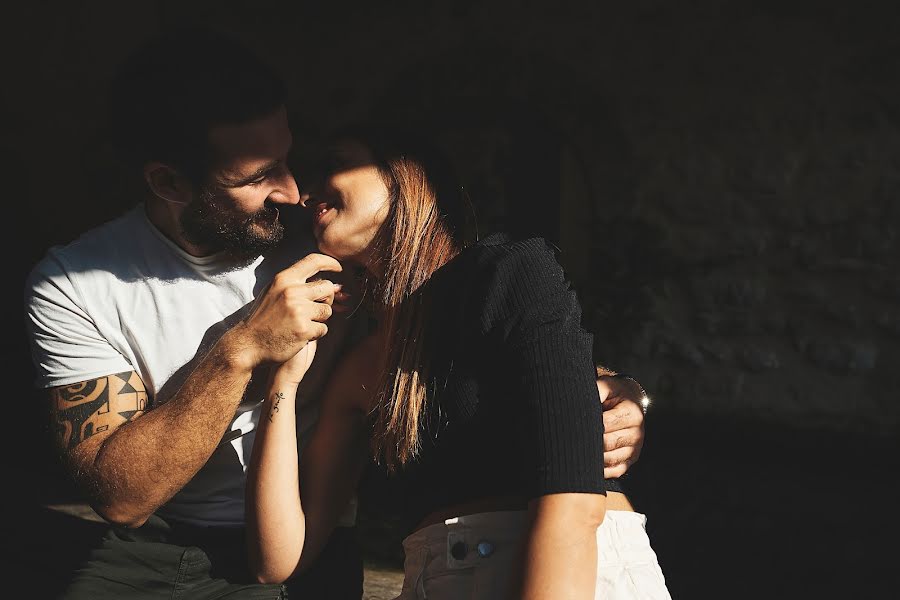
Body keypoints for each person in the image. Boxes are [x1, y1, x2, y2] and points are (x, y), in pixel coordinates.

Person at [22, 26, 648, 599]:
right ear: (169, 183)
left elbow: (489, 339)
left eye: (296, 161)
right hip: (159, 541)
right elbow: (123, 499)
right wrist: (246, 354)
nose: (295, 193)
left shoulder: (346, 242)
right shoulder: (76, 282)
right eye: (260, 175)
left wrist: (613, 391)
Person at [245, 127, 672, 599]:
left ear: (405, 174)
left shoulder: (510, 275)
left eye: (334, 163)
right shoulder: (362, 367)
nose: (305, 194)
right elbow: (280, 558)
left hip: (575, 575)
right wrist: (280, 376)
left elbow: (571, 506)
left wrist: (628, 391)